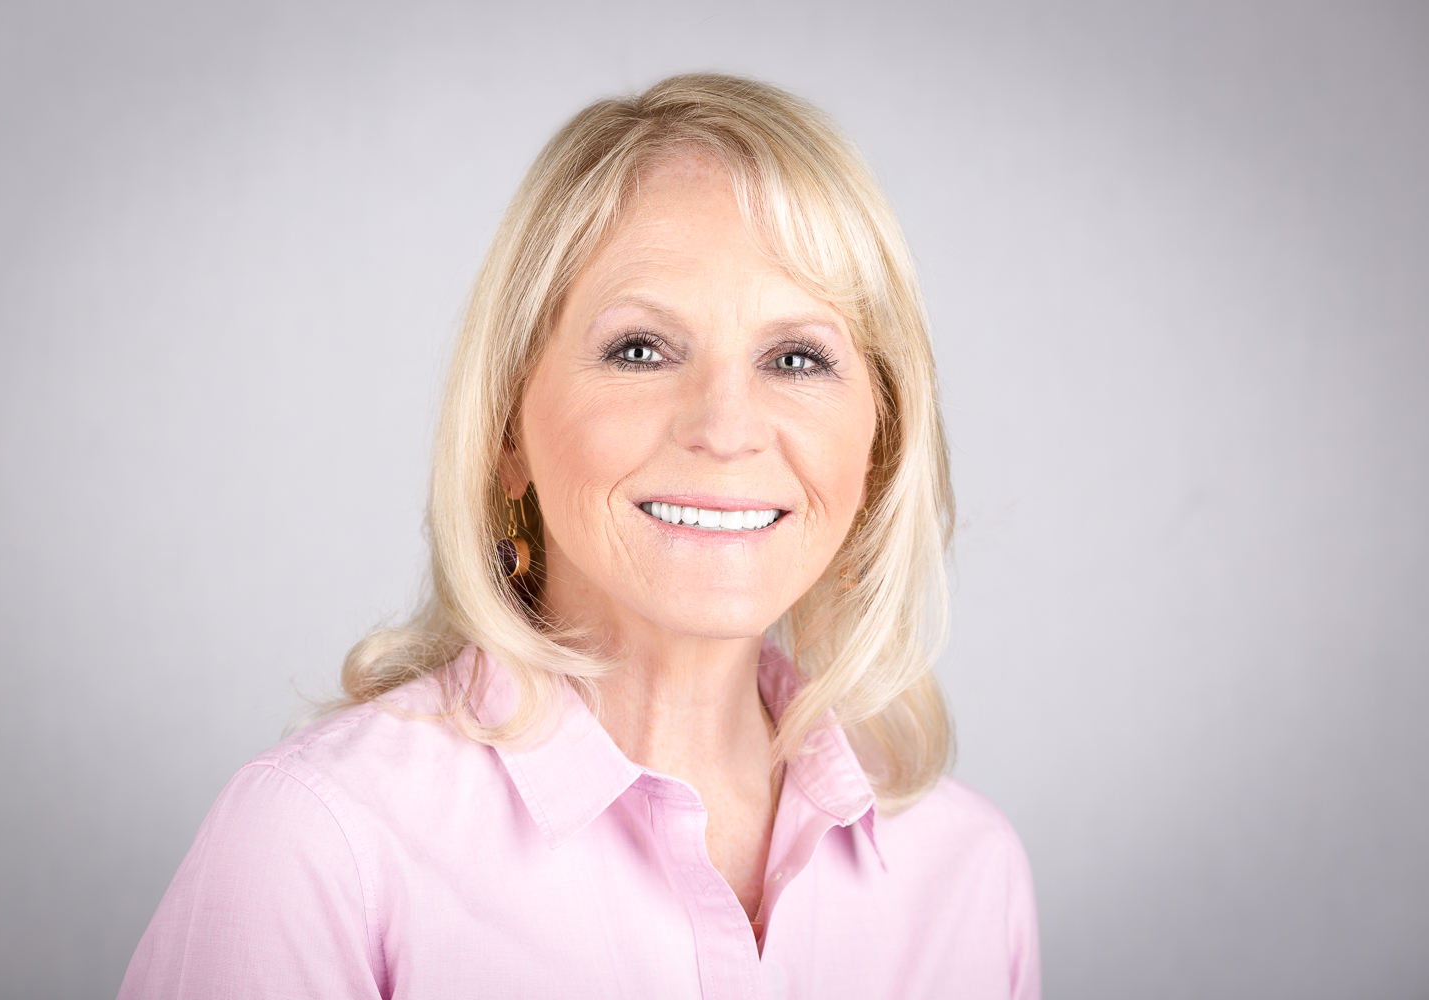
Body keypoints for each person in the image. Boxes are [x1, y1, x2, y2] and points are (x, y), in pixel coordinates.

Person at [118, 73, 1040, 999]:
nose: (725, 429)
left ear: (880, 443)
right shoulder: (321, 845)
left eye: (796, 358)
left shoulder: (969, 878)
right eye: (640, 350)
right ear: (507, 432)